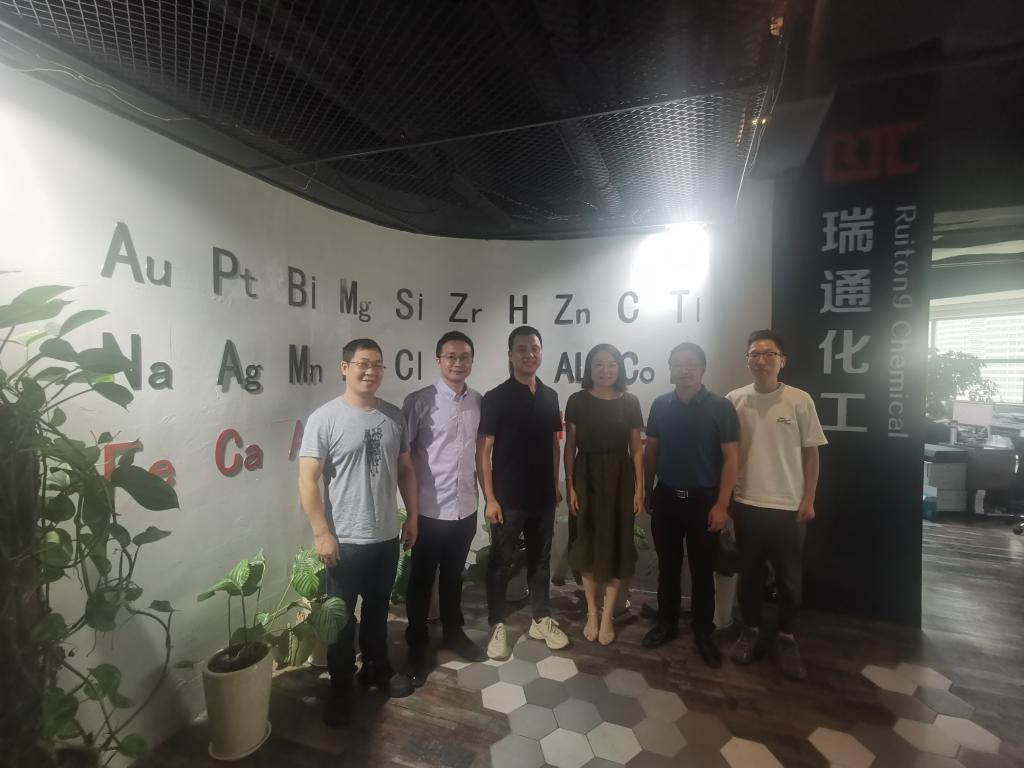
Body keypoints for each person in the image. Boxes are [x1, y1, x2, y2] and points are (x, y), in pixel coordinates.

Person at [298, 338, 419, 725]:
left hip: (385, 536)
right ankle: (340, 682)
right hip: (345, 540)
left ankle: (376, 668)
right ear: (345, 367)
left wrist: (412, 517)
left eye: (377, 365)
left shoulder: (393, 416)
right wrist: (322, 533)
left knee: (378, 609)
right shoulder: (325, 418)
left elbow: (405, 470)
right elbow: (307, 480)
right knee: (341, 616)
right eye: (363, 364)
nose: (371, 371)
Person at [727, 329, 827, 680]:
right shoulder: (734, 400)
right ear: (747, 361)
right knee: (749, 576)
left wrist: (809, 498)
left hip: (788, 506)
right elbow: (727, 455)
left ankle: (787, 637)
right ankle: (750, 631)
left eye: (769, 354)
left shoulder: (799, 400)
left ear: (782, 361)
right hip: (746, 502)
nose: (761, 360)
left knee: (789, 581)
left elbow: (812, 455)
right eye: (754, 354)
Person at [642, 342, 739, 669]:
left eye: (691, 364)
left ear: (702, 368)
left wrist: (722, 505)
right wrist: (647, 490)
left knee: (702, 571)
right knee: (668, 567)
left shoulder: (721, 407)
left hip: (705, 503)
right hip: (667, 498)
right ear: (670, 368)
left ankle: (702, 631)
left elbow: (731, 458)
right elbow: (651, 451)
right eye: (678, 364)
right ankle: (666, 623)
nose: (684, 370)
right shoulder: (660, 405)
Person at [478, 325, 569, 659]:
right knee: (500, 563)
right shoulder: (495, 397)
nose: (529, 355)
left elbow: (554, 445)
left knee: (541, 560)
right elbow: (484, 451)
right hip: (508, 499)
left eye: (535, 349)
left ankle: (540, 619)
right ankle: (497, 624)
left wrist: (555, 484)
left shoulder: (550, 396)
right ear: (510, 355)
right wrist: (490, 498)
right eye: (522, 349)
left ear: (541, 353)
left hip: (543, 497)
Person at [402, 331, 488, 685]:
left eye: (464, 357)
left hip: (465, 506)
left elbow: (481, 454)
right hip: (429, 509)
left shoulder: (479, 402)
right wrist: (410, 511)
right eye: (451, 356)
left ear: (472, 361)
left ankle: (454, 632)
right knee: (421, 578)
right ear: (438, 361)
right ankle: (417, 640)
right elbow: (405, 458)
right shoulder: (418, 402)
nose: (458, 363)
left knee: (454, 575)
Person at [564, 344, 644, 646]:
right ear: (589, 368)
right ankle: (592, 612)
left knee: (617, 543)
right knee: (585, 541)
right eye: (598, 364)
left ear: (620, 368)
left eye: (611, 364)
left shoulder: (631, 401)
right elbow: (569, 447)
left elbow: (637, 449)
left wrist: (639, 489)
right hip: (586, 476)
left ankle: (608, 614)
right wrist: (570, 485)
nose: (605, 369)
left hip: (621, 478)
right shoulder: (577, 400)